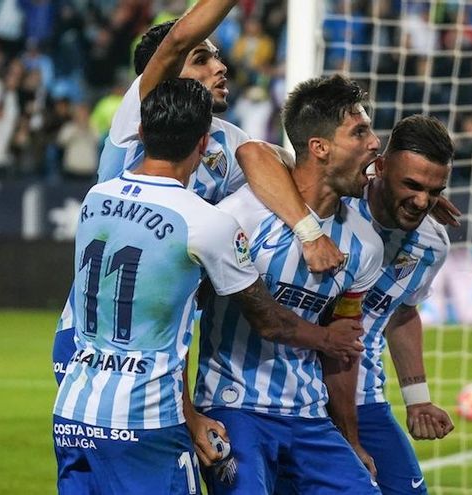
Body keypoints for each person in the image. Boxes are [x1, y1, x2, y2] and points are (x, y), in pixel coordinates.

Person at [53, 77, 364, 494]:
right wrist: (327, 338)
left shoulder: (95, 199)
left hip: (73, 411)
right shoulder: (207, 223)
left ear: (143, 133)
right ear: (203, 144)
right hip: (146, 420)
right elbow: (267, 320)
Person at [53, 0, 345, 385]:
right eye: (201, 59)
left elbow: (282, 165)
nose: (220, 67)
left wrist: (376, 185)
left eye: (217, 57)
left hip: (160, 342)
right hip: (94, 337)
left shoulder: (223, 138)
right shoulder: (137, 117)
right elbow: (175, 42)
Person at [194, 74, 384, 494]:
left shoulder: (366, 246)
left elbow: (343, 349)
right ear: (319, 147)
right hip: (235, 407)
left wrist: (350, 439)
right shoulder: (239, 216)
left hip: (310, 416)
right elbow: (181, 315)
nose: (374, 143)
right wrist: (189, 415)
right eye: (360, 132)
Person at [349, 115, 456, 494]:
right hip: (296, 400)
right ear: (380, 167)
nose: (422, 201)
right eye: (412, 185)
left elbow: (403, 312)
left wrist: (418, 400)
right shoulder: (335, 207)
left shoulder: (433, 245)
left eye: (434, 191)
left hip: (365, 399)